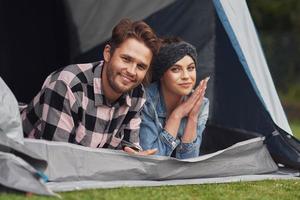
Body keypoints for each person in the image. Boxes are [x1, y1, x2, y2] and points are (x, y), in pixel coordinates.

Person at [21, 19, 160, 155]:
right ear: (107, 53)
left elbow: (130, 148)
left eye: (141, 66)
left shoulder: (137, 93)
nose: (131, 71)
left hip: (86, 171)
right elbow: (57, 158)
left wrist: (135, 156)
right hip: (26, 166)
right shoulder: (68, 85)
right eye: (126, 59)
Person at [139, 38, 209, 159]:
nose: (186, 76)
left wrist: (192, 117)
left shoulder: (201, 104)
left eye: (191, 68)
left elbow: (189, 163)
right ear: (161, 74)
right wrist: (177, 115)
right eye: (176, 69)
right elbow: (150, 161)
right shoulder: (146, 100)